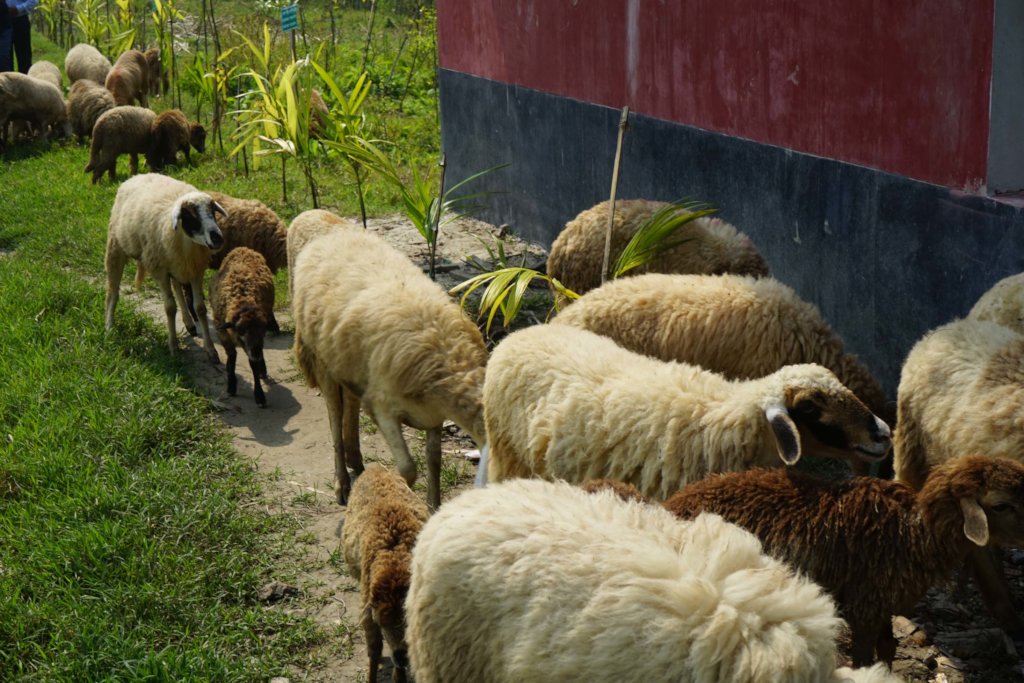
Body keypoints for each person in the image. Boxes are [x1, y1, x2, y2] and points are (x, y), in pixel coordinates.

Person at [6, 0, 36, 74]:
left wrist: (18, 9)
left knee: (24, 59)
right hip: (3, 22)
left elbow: (32, 1)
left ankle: (25, 83)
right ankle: (7, 83)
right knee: (4, 59)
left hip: (20, 20)